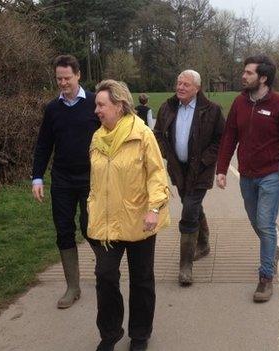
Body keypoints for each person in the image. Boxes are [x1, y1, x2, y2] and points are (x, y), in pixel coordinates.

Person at [88, 79, 170, 351]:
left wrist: (154, 208)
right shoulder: (98, 136)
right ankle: (110, 333)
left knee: (142, 278)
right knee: (105, 275)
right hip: (107, 222)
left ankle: (139, 334)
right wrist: (91, 205)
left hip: (139, 219)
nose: (96, 110)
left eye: (101, 105)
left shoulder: (142, 134)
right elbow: (96, 180)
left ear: (120, 106)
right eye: (96, 105)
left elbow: (157, 174)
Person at [215, 55, 279, 302]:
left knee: (265, 223)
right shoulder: (239, 103)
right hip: (247, 175)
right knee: (255, 221)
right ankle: (273, 250)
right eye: (244, 72)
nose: (243, 76)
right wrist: (221, 169)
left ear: (263, 78)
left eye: (248, 73)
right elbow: (229, 136)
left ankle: (265, 278)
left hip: (272, 174)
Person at [31, 54, 100, 309]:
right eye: (59, 78)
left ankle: (104, 268)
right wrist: (37, 177)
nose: (62, 83)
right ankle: (73, 286)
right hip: (61, 178)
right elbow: (43, 145)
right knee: (63, 229)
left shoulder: (94, 103)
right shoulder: (52, 109)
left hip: (91, 177)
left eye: (67, 78)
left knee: (89, 225)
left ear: (78, 75)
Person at [154, 69, 224, 286]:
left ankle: (185, 266)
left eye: (185, 84)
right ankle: (203, 242)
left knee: (188, 211)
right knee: (191, 206)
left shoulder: (211, 110)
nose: (180, 88)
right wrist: (166, 153)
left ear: (197, 88)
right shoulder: (167, 107)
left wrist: (205, 160)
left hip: (200, 170)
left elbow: (221, 139)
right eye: (178, 83)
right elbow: (157, 134)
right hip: (179, 170)